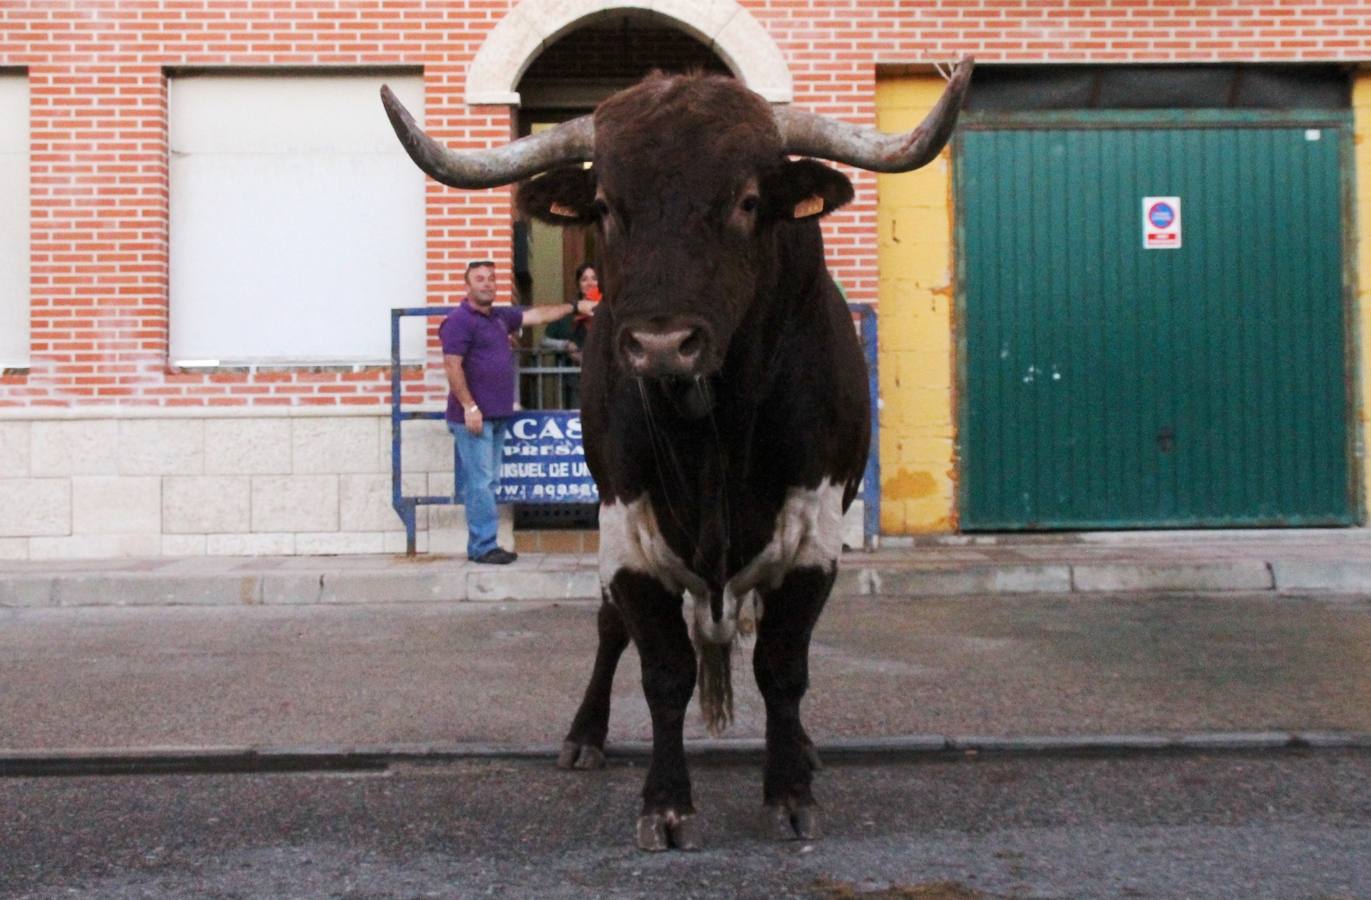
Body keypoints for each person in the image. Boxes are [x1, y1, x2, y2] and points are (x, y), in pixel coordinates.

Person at [440, 260, 596, 564]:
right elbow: (451, 364)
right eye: (480, 279)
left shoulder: (500, 317)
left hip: (496, 417)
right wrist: (469, 406)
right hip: (475, 418)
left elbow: (537, 314)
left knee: (490, 482)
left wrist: (575, 304)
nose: (487, 284)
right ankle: (483, 546)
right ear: (467, 286)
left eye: (491, 279)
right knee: (481, 483)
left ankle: (485, 542)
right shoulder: (459, 320)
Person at [540, 262, 601, 408]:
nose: (590, 283)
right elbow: (544, 341)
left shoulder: (610, 312)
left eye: (594, 278)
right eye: (584, 279)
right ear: (578, 284)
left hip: (606, 382)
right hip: (574, 382)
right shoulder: (568, 311)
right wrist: (565, 345)